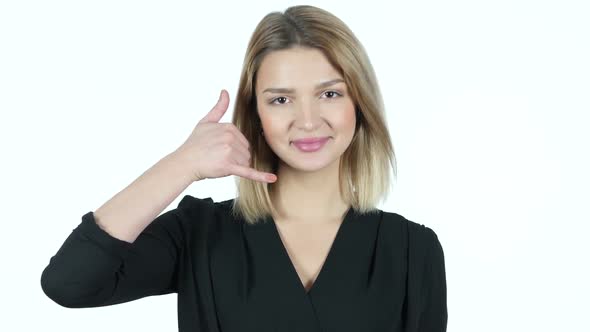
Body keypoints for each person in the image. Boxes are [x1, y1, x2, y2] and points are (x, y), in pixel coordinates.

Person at [40, 4, 447, 332]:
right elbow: (70, 283)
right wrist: (181, 165)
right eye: (281, 100)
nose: (307, 120)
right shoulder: (199, 234)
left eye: (329, 93)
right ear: (256, 115)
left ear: (359, 103)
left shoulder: (413, 250)